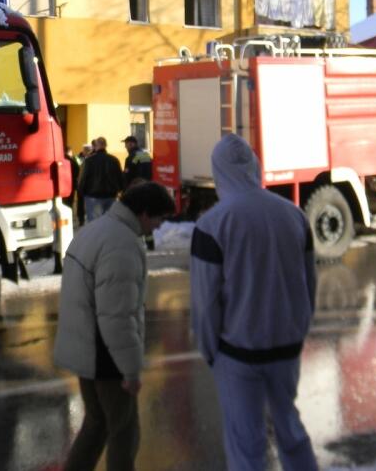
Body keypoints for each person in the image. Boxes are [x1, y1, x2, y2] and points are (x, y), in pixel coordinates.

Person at [190, 134, 318, 471]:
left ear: (218, 172)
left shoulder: (213, 225)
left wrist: (210, 350)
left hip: (238, 353)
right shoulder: (293, 215)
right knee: (290, 429)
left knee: (246, 445)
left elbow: (206, 302)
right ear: (254, 167)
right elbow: (309, 284)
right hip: (286, 347)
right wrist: (300, 328)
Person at [54, 181, 176, 471]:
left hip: (87, 347)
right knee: (125, 431)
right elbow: (117, 316)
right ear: (144, 213)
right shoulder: (121, 244)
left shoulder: (97, 229)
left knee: (96, 424)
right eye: (159, 219)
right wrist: (131, 370)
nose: (158, 227)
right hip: (106, 355)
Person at [77, 136, 123, 223]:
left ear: (95, 146)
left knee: (95, 224)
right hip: (111, 196)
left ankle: (97, 237)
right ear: (106, 145)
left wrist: (81, 192)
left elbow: (83, 179)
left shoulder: (89, 161)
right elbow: (120, 178)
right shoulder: (114, 160)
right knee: (110, 222)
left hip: (93, 197)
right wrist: (120, 190)